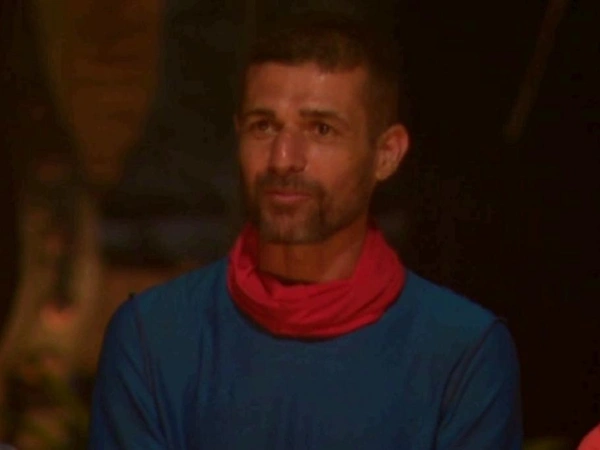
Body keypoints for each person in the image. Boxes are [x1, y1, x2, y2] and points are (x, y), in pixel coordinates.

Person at [88, 13, 522, 449]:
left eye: (321, 129)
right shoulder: (152, 336)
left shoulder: (462, 354)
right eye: (263, 126)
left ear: (387, 154)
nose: (283, 158)